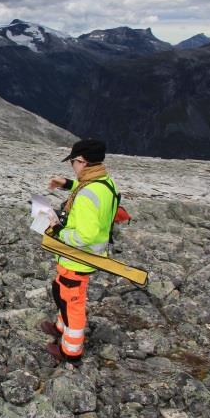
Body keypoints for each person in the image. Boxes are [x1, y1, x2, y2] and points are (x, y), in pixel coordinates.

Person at [41, 139, 118, 363]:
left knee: (71, 302)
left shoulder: (87, 194)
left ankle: (71, 351)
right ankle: (59, 327)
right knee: (61, 291)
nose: (72, 166)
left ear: (82, 161)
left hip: (78, 259)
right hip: (80, 259)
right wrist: (66, 184)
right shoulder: (104, 182)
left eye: (73, 162)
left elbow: (85, 236)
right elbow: (90, 191)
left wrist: (57, 230)